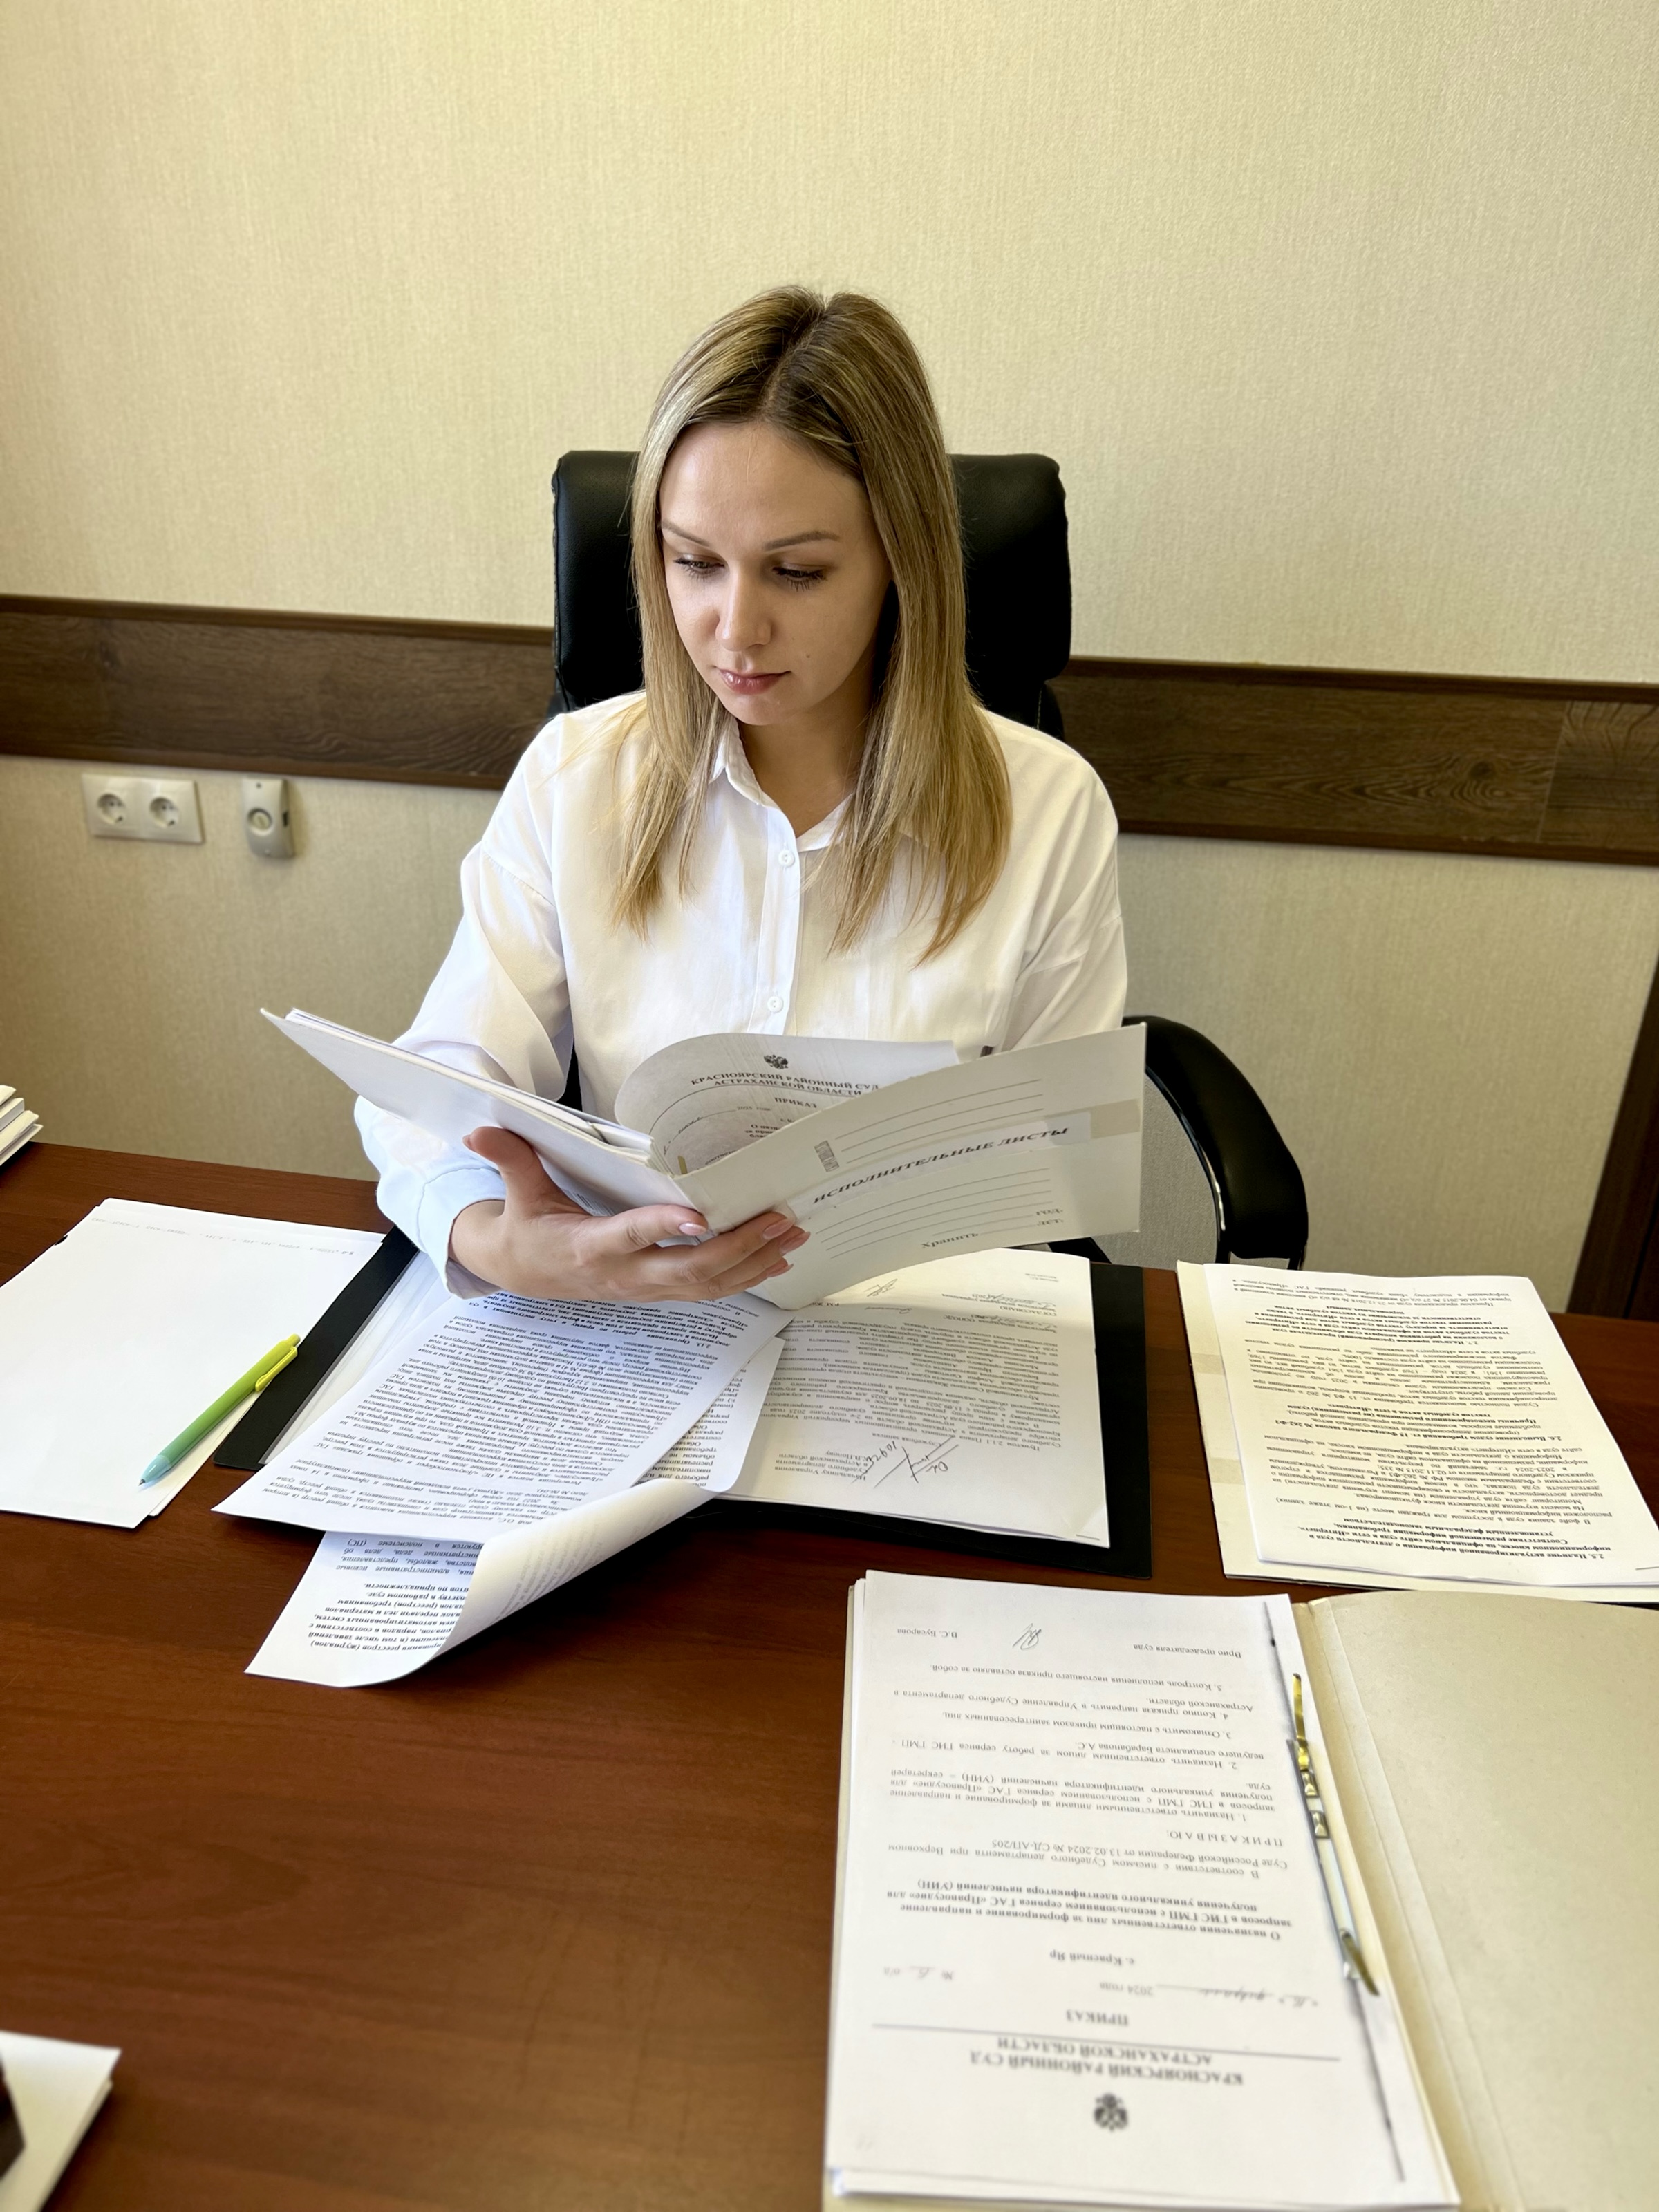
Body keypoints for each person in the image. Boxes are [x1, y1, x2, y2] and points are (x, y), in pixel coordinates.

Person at [358, 286, 1126, 1304]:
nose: (733, 628)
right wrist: (493, 1240)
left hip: (920, 1331)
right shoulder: (575, 778)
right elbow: (435, 1086)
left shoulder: (1048, 809)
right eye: (694, 563)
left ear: (901, 562)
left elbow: (1057, 1164)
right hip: (641, 1323)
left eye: (796, 572)